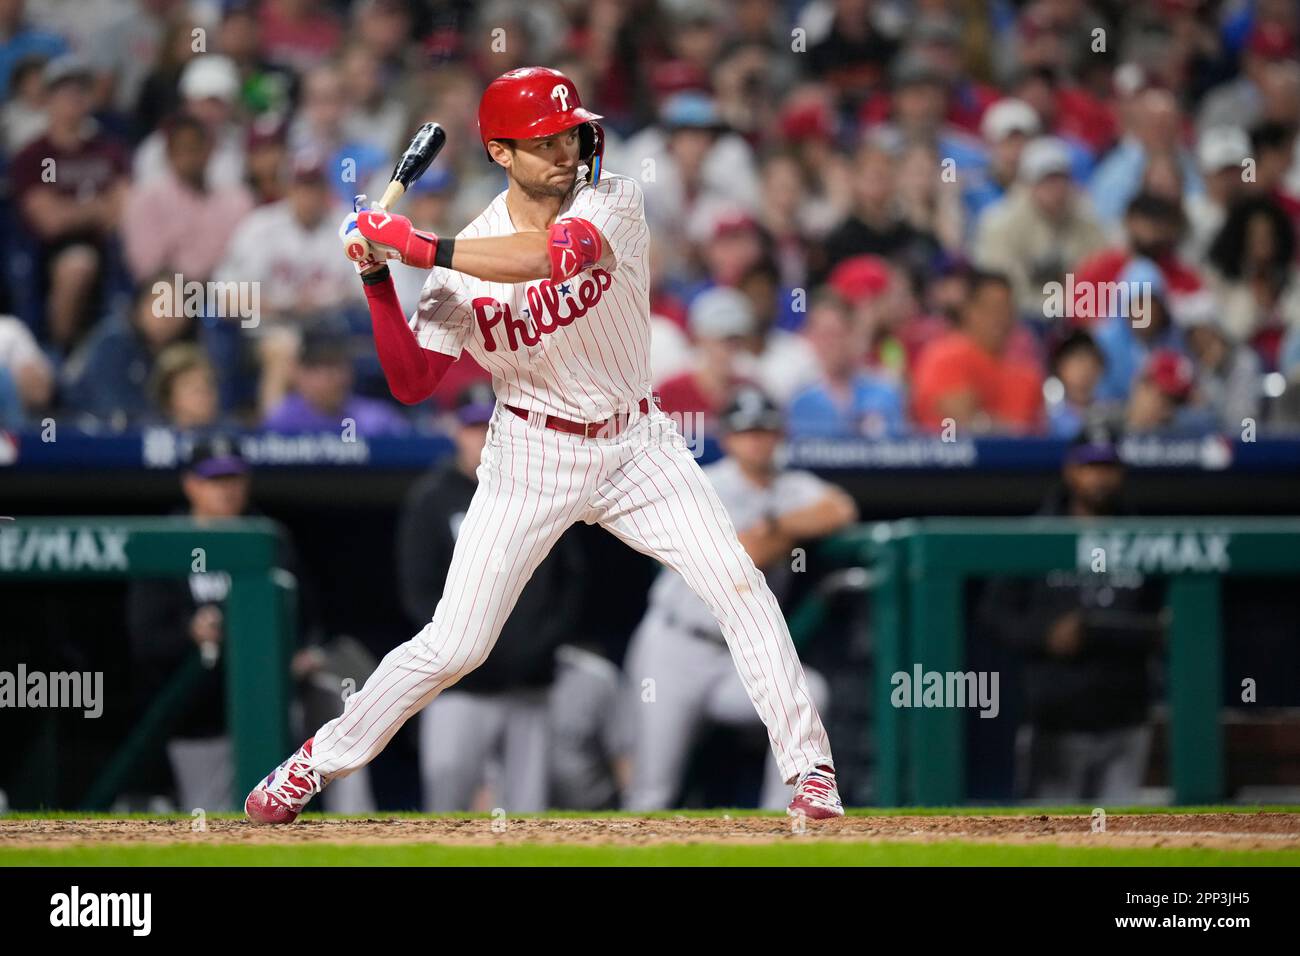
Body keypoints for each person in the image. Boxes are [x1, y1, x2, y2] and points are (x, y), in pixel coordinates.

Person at [246, 66, 843, 824]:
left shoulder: (612, 199)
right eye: (543, 141)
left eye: (570, 133)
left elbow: (552, 258)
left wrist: (415, 244)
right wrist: (376, 282)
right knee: (455, 643)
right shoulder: (465, 260)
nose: (566, 150)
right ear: (500, 152)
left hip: (637, 443)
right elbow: (412, 380)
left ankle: (811, 774)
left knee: (737, 583)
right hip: (530, 453)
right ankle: (312, 764)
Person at [623, 386, 855, 810]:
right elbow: (742, 554)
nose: (757, 439)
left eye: (765, 430)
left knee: (810, 691)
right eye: (747, 431)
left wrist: (778, 526)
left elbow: (840, 508)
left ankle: (786, 824)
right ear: (728, 437)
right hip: (676, 647)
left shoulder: (791, 485)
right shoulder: (704, 483)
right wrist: (779, 536)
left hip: (739, 657)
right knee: (652, 791)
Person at [397, 383, 582, 811]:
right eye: (472, 426)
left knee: (527, 809)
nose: (481, 435)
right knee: (446, 797)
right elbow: (417, 592)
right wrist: (463, 652)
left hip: (529, 682)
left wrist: (537, 648)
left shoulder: (542, 489)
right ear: (454, 430)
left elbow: (570, 583)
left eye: (489, 424)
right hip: (458, 685)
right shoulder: (432, 498)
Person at [979, 426, 1165, 803]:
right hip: (1054, 720)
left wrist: (1115, 631)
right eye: (1089, 466)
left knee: (1124, 845)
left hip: (1126, 718)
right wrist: (1047, 634)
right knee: (1050, 843)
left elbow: (1167, 620)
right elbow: (994, 616)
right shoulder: (1036, 535)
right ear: (1071, 471)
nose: (1098, 476)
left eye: (1107, 466)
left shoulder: (1145, 537)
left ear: (1121, 473)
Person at [911, 270, 1044, 434]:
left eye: (1006, 308)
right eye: (991, 308)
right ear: (968, 310)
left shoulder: (1027, 374)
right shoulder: (946, 356)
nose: (1000, 317)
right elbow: (964, 423)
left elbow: (1039, 433)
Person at [261, 320, 410, 437]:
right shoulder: (284, 419)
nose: (330, 376)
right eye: (317, 366)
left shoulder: (377, 419)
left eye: (336, 364)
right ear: (298, 372)